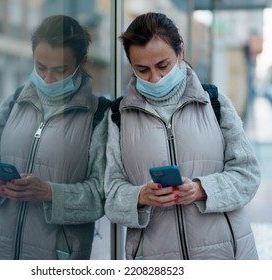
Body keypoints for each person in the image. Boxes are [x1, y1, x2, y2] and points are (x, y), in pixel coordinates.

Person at [104, 12, 261, 260]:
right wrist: (140, 197)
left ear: (181, 53)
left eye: (163, 66)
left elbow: (248, 175)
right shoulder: (117, 117)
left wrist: (202, 190)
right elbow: (111, 197)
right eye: (142, 69)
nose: (154, 78)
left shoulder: (215, 102)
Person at [0, 15, 109, 260]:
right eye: (40, 66)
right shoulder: (15, 101)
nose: (47, 78)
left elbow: (101, 196)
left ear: (81, 62)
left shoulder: (98, 116)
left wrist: (49, 193)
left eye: (59, 70)